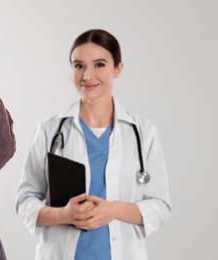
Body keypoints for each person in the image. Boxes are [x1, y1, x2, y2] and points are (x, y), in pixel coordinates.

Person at [16, 29, 171, 260]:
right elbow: (25, 200)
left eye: (99, 64)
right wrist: (64, 215)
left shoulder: (143, 133)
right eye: (78, 65)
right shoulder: (49, 131)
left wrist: (114, 209)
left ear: (118, 69)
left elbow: (160, 205)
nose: (87, 75)